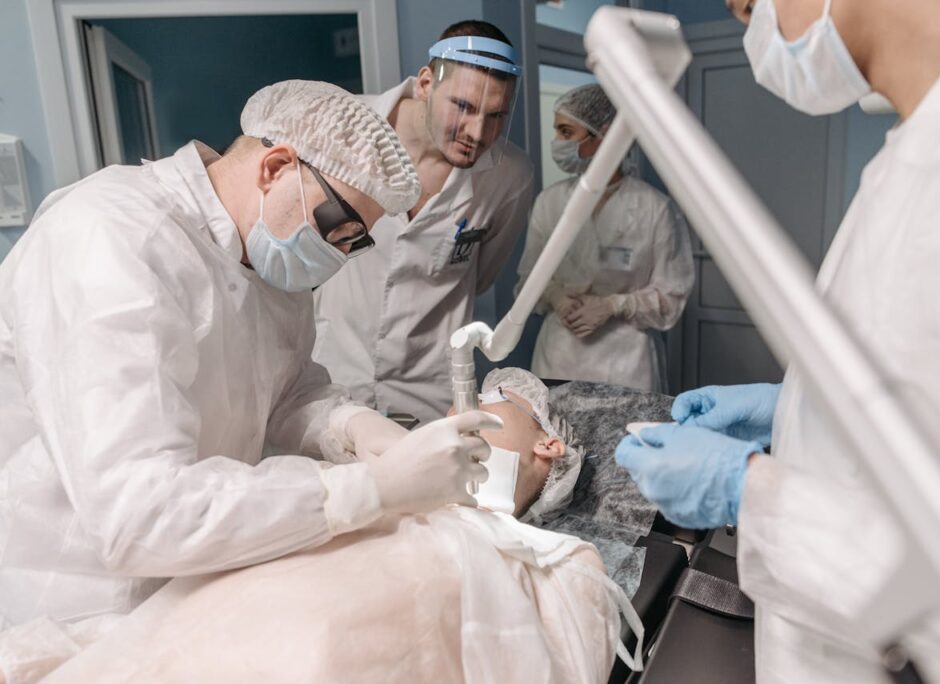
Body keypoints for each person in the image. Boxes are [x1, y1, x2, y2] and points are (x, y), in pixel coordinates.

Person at [0, 80, 503, 683]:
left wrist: (355, 430)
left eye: (358, 241)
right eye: (341, 225)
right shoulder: (111, 238)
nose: (342, 254)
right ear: (275, 166)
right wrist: (368, 489)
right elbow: (140, 512)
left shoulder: (264, 260)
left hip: (191, 581)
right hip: (74, 601)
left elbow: (286, 391)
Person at [616, 0, 940, 681]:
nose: (755, 35)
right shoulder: (936, 141)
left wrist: (751, 495)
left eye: (749, 7)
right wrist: (799, 407)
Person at [29, 371, 640, 684]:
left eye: (494, 397)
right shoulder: (372, 498)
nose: (461, 409)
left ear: (549, 442)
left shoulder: (559, 559)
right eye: (458, 401)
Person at [313, 20, 535, 422]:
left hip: (432, 389)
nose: (477, 132)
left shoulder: (510, 177)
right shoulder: (345, 127)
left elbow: (480, 276)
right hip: (333, 370)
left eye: (495, 115)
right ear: (426, 83)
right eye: (464, 107)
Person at [516, 84, 694, 392]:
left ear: (604, 134)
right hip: (559, 354)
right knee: (554, 438)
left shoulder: (655, 208)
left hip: (626, 361)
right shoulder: (550, 202)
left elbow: (672, 296)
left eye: (566, 132)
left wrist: (614, 305)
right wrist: (556, 298)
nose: (557, 142)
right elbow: (529, 277)